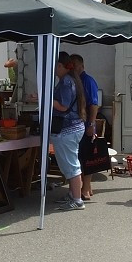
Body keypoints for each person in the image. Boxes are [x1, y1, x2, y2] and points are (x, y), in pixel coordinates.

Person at [50, 52, 87, 211]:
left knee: (71, 166)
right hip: (72, 127)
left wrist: (45, 98)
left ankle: (77, 200)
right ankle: (73, 195)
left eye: (55, 66)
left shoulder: (66, 81)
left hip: (67, 128)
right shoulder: (71, 79)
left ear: (60, 65)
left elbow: (63, 106)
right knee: (70, 164)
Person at [71, 53, 100, 200]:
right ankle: (87, 187)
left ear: (81, 66)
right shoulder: (75, 80)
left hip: (86, 124)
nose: (72, 67)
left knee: (86, 157)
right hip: (79, 124)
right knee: (81, 156)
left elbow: (94, 104)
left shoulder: (87, 81)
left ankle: (85, 188)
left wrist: (91, 124)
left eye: (74, 65)